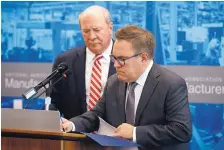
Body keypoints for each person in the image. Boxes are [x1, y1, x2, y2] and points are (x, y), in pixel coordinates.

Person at [61, 25, 192, 150]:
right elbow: (96, 116)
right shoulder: (114, 82)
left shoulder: (171, 84)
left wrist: (135, 133)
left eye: (122, 59)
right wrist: (71, 125)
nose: (116, 65)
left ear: (143, 58)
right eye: (114, 58)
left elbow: (181, 130)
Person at [49, 5, 116, 119]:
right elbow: (54, 104)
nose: (91, 36)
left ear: (110, 28)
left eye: (96, 30)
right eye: (86, 31)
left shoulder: (129, 59)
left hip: (116, 135)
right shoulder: (65, 62)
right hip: (75, 133)